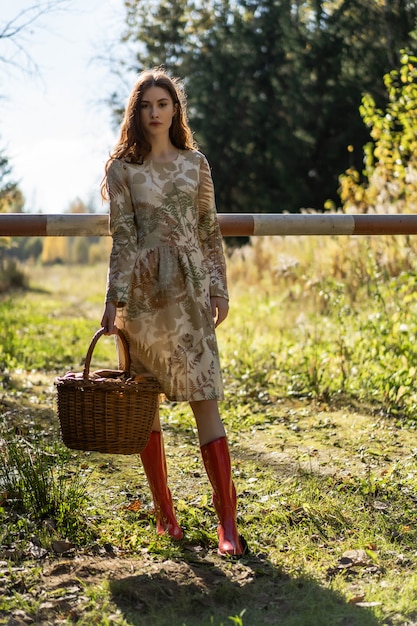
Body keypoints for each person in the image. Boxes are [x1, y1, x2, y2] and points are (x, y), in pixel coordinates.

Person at [100, 67, 244, 556]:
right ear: (136, 113)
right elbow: (123, 238)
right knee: (146, 405)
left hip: (190, 294)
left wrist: (219, 288)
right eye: (146, 105)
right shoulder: (122, 169)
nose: (155, 112)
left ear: (175, 110)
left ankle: (228, 523)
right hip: (141, 297)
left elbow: (208, 231)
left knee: (205, 396)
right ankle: (166, 516)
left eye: (163, 104)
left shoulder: (195, 163)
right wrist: (112, 300)